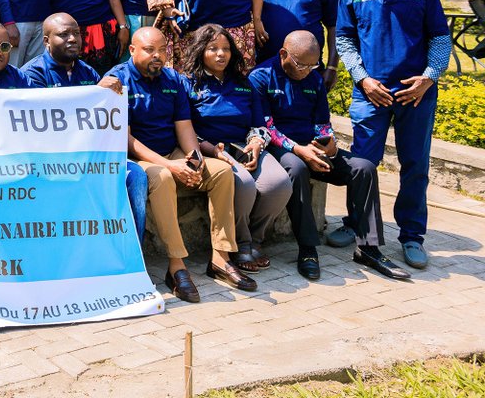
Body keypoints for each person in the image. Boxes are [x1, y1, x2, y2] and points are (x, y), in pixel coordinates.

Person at [105, 27, 250, 302]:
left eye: (162, 50)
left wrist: (194, 160)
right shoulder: (118, 80)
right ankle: (176, 265)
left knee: (220, 172)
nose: (157, 56)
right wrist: (172, 167)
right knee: (163, 177)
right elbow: (126, 140)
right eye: (149, 50)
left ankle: (220, 257)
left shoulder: (172, 79)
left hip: (171, 151)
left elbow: (184, 127)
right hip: (137, 158)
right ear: (132, 50)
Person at [250, 31, 407, 280]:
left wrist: (329, 146)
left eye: (313, 65)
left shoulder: (313, 79)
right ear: (283, 54)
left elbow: (322, 124)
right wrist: (299, 150)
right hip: (279, 148)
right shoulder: (260, 78)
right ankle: (308, 248)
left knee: (364, 167)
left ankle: (368, 248)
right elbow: (266, 128)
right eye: (301, 64)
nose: (306, 71)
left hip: (313, 147)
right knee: (296, 168)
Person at [335, 0, 450, 269]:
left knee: (415, 165)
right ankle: (356, 224)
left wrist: (428, 78)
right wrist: (363, 79)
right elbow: (344, 39)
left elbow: (441, 38)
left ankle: (412, 236)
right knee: (362, 165)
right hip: (371, 93)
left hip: (415, 94)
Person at [20, 14, 147, 240]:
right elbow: (45, 120)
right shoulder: (32, 74)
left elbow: (104, 120)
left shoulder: (87, 72)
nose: (72, 39)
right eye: (63, 34)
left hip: (89, 156)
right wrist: (95, 92)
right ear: (46, 41)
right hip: (51, 160)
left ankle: (131, 255)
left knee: (135, 175)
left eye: (76, 33)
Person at [180, 23, 291, 274]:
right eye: (213, 48)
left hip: (244, 146)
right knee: (244, 184)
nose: (221, 54)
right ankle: (240, 245)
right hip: (211, 151)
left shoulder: (243, 82)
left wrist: (255, 143)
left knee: (279, 184)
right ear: (199, 51)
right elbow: (183, 130)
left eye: (226, 49)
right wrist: (211, 149)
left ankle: (254, 238)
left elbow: (259, 124)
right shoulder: (187, 84)